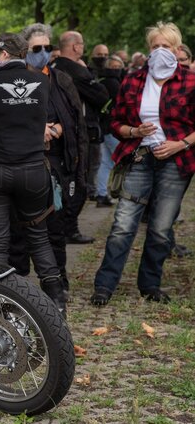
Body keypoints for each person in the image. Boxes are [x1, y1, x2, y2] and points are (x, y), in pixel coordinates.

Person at [90, 22, 195, 306]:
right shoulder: (134, 79)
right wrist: (134, 132)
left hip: (176, 161)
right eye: (155, 46)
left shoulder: (189, 81)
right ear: (149, 49)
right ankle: (104, 286)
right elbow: (115, 122)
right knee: (123, 224)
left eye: (166, 46)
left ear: (176, 49)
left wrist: (181, 143)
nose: (160, 51)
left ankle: (150, 285)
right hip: (140, 157)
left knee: (161, 228)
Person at [0, 32, 67, 317]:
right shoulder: (42, 81)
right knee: (39, 235)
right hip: (32, 168)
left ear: (2, 53)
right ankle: (57, 300)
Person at [9, 23, 88, 295]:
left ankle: (57, 285)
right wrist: (36, 130)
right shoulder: (12, 81)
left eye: (47, 47)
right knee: (18, 231)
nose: (43, 53)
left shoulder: (61, 80)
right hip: (19, 164)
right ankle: (16, 288)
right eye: (36, 48)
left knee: (55, 229)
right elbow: (0, 121)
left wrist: (55, 129)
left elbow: (74, 120)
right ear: (24, 51)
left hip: (55, 166)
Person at [51, 31, 109, 244]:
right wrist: (88, 74)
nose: (83, 47)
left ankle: (63, 227)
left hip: (58, 133)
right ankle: (69, 229)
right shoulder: (77, 71)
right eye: (82, 43)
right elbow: (102, 95)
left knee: (65, 182)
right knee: (81, 182)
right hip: (81, 134)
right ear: (75, 47)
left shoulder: (52, 69)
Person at [94, 55, 124, 207]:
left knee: (105, 163)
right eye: (114, 67)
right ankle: (124, 195)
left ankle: (101, 195)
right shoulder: (115, 84)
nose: (116, 70)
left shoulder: (99, 82)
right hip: (113, 129)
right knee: (126, 161)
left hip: (102, 128)